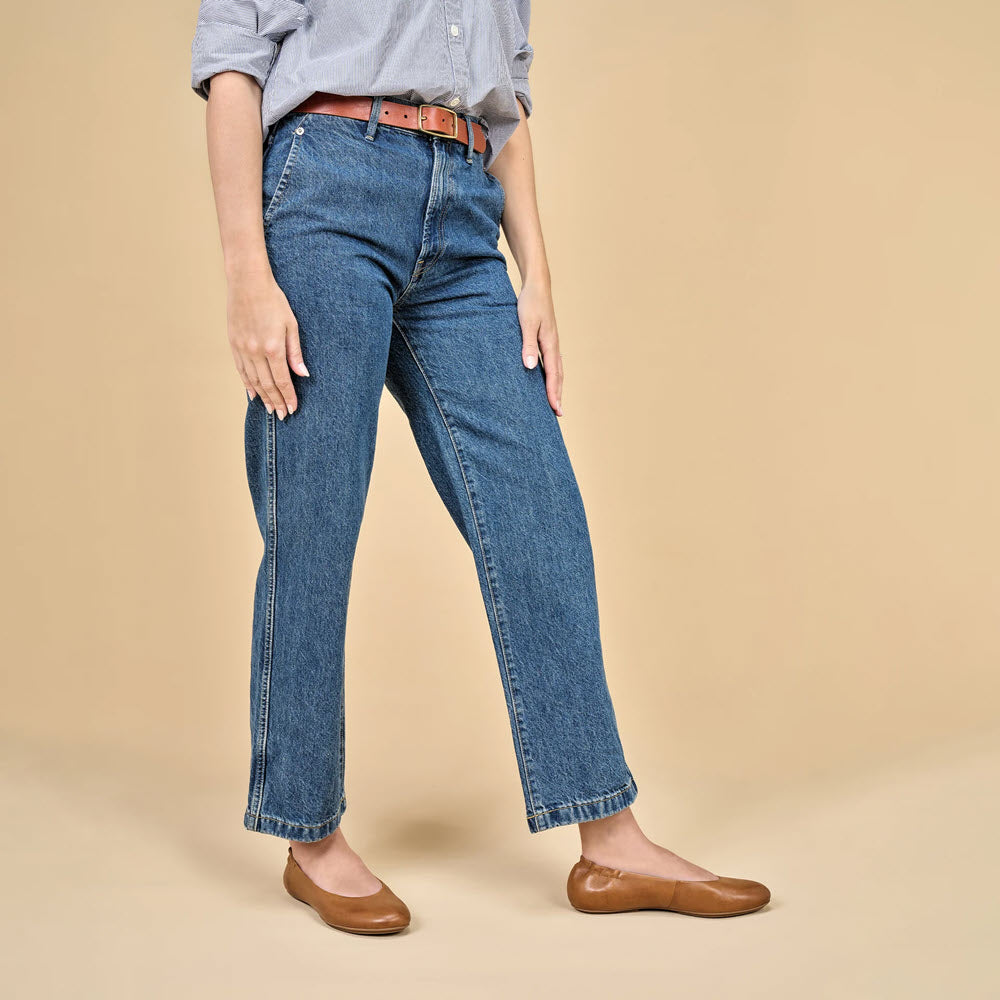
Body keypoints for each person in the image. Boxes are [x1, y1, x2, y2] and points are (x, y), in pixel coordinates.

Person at [189, 0, 770, 934]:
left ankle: (611, 843)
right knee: (315, 519)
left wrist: (537, 272)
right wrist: (245, 273)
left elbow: (505, 111)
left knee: (538, 510)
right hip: (326, 189)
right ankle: (310, 835)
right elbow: (232, 67)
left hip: (464, 216)